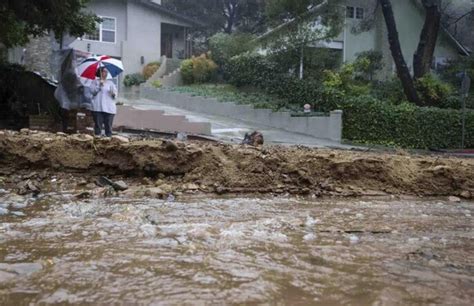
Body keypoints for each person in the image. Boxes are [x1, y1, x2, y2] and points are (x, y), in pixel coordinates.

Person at [90, 67, 117, 137]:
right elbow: (93, 92)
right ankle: (97, 141)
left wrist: (113, 94)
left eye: (106, 72)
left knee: (108, 127)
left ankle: (108, 142)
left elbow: (115, 95)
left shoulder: (110, 83)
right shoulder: (94, 82)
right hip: (98, 108)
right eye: (104, 71)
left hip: (109, 108)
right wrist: (99, 85)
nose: (106, 73)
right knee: (98, 127)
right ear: (100, 72)